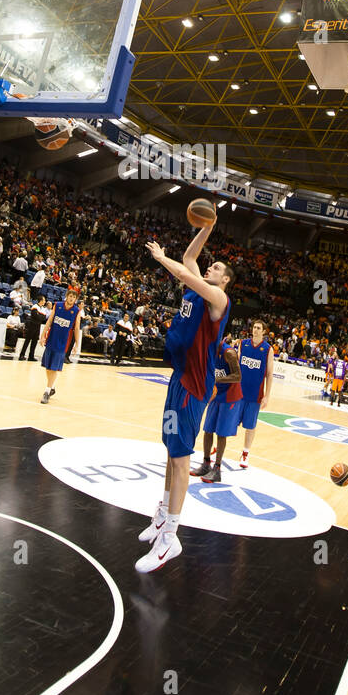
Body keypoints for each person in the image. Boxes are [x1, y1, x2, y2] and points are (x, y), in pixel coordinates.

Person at [136, 223, 232, 573]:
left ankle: (170, 538)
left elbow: (181, 269)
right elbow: (190, 257)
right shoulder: (198, 288)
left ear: (225, 281)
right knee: (170, 450)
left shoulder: (218, 300)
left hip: (194, 386)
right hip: (179, 378)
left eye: (217, 268)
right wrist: (209, 226)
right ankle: (162, 516)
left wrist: (162, 257)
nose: (210, 267)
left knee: (180, 460)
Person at [191, 338, 242, 483]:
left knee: (221, 433)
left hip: (230, 397)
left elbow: (238, 376)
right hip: (216, 394)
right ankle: (206, 464)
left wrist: (215, 380)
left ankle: (217, 469)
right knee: (208, 429)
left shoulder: (229, 353)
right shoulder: (209, 351)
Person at [236, 320, 273, 469]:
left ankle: (245, 453)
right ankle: (217, 449)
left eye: (259, 328)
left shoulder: (268, 349)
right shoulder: (243, 344)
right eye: (254, 327)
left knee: (250, 426)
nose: (255, 330)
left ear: (263, 331)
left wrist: (267, 395)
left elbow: (269, 374)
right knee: (229, 422)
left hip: (255, 395)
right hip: (238, 392)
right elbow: (235, 367)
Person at [38, 289, 82, 404]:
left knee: (54, 368)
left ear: (75, 299)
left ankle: (47, 391)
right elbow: (49, 321)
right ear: (66, 296)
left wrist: (77, 344)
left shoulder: (76, 311)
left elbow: (77, 328)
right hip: (51, 338)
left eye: (74, 297)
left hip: (63, 343)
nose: (72, 298)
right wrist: (42, 335)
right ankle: (51, 387)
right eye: (70, 296)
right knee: (48, 367)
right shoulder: (57, 305)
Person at [18, 297, 48, 362]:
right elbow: (35, 316)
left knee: (34, 341)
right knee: (27, 340)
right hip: (31, 325)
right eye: (44, 300)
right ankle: (21, 355)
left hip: (38, 326)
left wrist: (39, 316)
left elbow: (44, 318)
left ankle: (31, 356)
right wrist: (40, 316)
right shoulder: (35, 306)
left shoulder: (43, 309)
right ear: (41, 300)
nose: (45, 301)